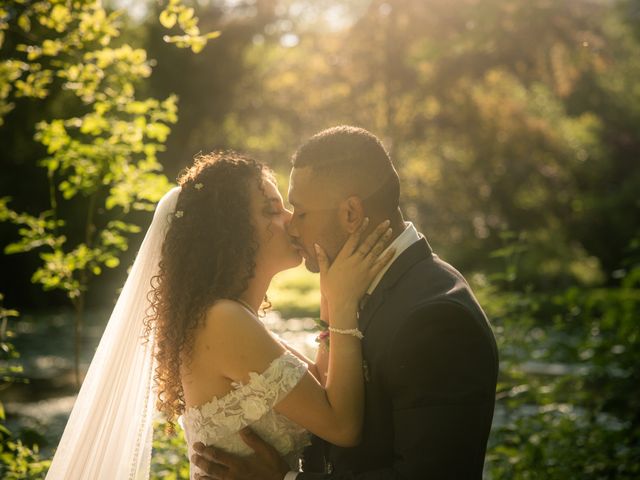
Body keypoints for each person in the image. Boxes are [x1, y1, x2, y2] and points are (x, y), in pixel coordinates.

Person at [44, 151, 395, 479]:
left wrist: (327, 295)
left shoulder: (227, 316)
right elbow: (342, 425)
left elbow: (319, 386)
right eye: (271, 210)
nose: (289, 219)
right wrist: (344, 307)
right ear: (231, 232)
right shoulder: (222, 321)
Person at [192, 126, 499, 479]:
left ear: (351, 213)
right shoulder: (352, 293)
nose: (292, 227)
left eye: (301, 212)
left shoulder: (436, 316)